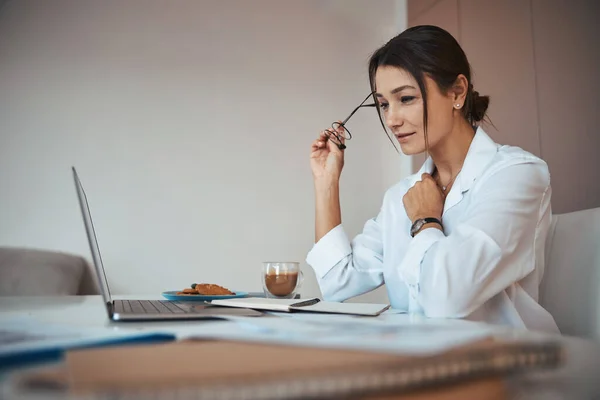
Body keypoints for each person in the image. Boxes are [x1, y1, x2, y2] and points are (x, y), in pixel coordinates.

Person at [306, 25, 559, 333]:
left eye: (407, 98)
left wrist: (425, 220)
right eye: (384, 103)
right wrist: (326, 182)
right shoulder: (402, 195)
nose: (392, 119)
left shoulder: (517, 174)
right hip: (420, 363)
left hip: (502, 369)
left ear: (457, 92)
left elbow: (447, 299)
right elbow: (337, 282)